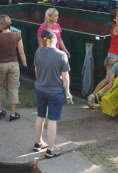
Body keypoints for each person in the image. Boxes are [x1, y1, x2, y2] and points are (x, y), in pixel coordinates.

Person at [33, 28, 72, 158]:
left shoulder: (38, 51)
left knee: (40, 115)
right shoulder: (61, 55)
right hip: (55, 91)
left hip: (40, 88)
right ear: (54, 38)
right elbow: (65, 77)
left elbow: (36, 71)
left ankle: (38, 143)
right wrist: (67, 92)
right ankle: (51, 149)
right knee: (52, 119)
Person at [0, 15, 27, 121]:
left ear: (1, 25)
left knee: (0, 87)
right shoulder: (17, 35)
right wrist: (24, 64)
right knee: (13, 88)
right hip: (13, 64)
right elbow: (21, 52)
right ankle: (12, 113)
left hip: (0, 64)